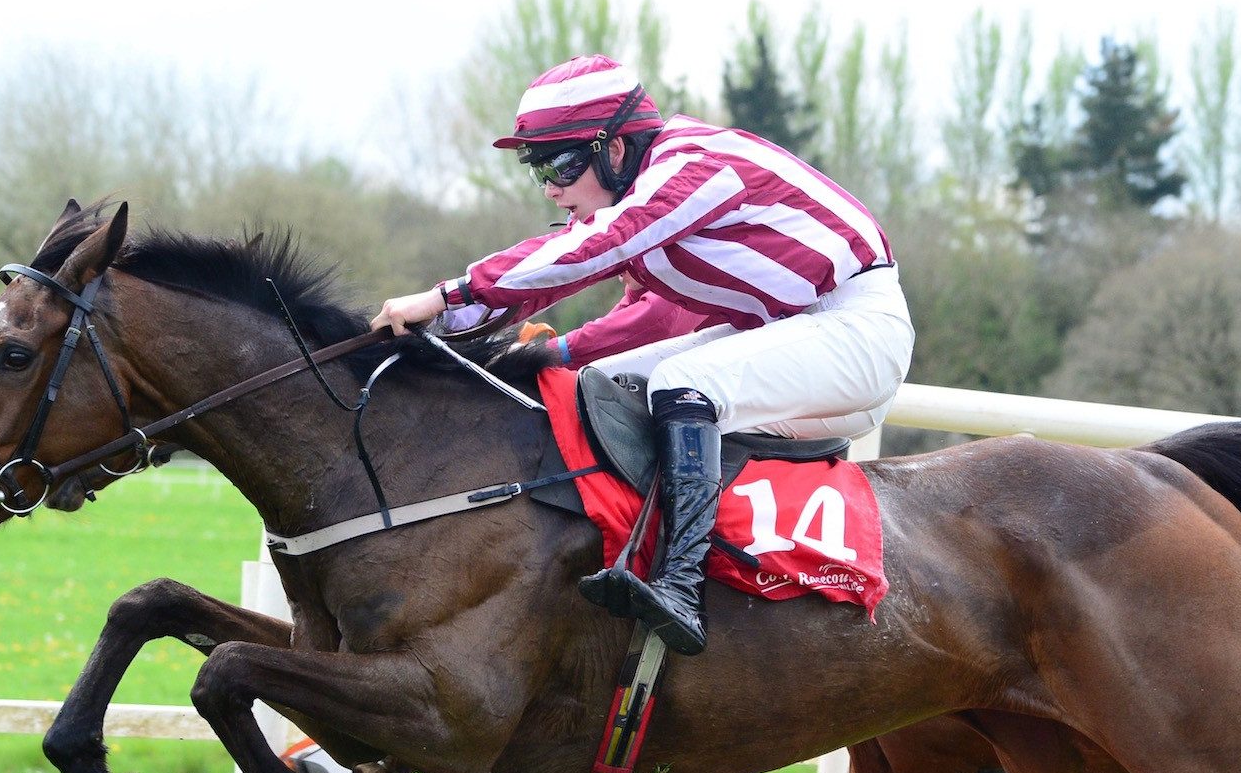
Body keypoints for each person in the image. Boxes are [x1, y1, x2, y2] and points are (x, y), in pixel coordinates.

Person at [374, 55, 912, 656]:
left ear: (618, 150)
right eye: (537, 168)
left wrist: (447, 294)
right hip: (792, 336)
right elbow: (644, 313)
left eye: (562, 162)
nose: (550, 186)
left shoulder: (690, 168)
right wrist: (475, 332)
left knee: (684, 382)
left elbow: (589, 249)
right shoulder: (652, 207)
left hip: (857, 332)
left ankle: (681, 586)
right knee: (593, 387)